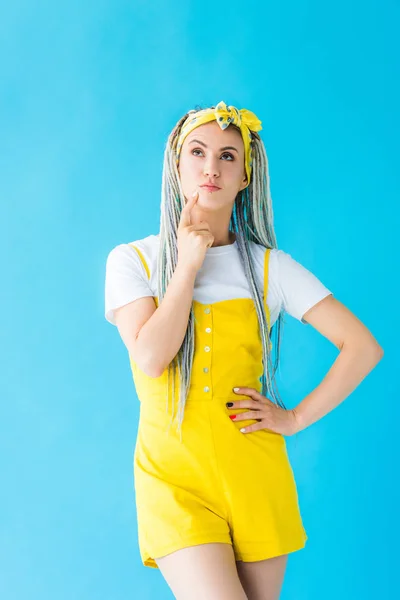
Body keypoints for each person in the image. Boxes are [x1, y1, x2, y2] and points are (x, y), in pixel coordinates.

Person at [104, 101, 384, 600]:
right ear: (177, 165)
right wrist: (187, 265)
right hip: (174, 480)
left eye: (228, 156)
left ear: (245, 179)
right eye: (198, 152)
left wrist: (294, 419)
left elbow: (362, 347)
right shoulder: (134, 260)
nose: (211, 167)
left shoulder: (269, 267)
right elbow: (150, 358)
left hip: (255, 477)